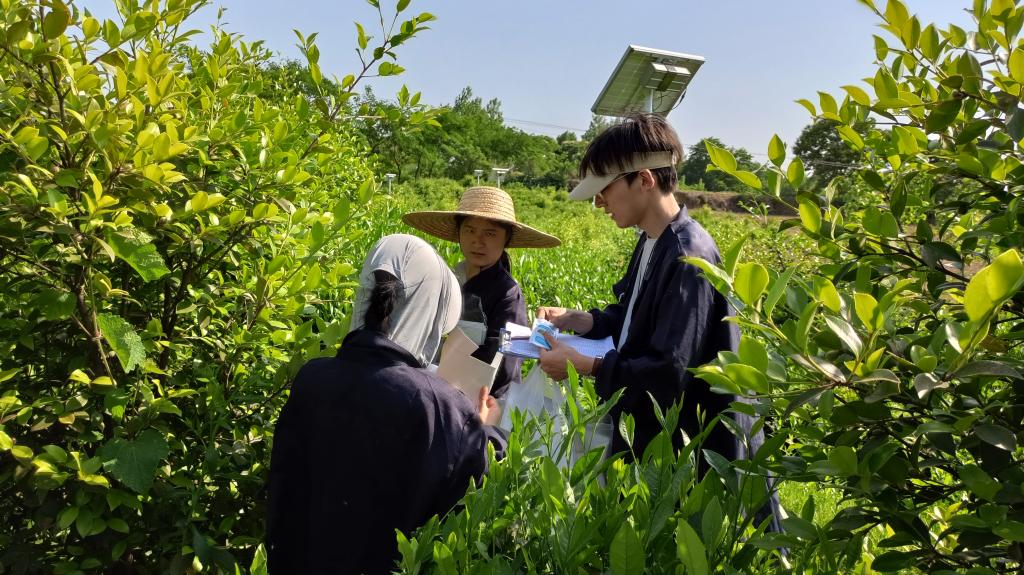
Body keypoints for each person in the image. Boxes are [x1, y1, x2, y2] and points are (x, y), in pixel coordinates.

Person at [266, 234, 507, 574]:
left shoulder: (312, 377)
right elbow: (476, 482)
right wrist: (483, 429)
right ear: (432, 312)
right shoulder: (440, 404)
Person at [536, 113, 743, 461]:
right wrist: (581, 320)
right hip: (655, 440)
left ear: (644, 179)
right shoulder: (652, 239)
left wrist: (586, 365)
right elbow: (636, 317)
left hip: (690, 456)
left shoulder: (687, 257)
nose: (599, 202)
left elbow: (667, 374)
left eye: (604, 189)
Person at [403, 186, 560, 398]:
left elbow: (506, 362)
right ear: (459, 233)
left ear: (506, 239)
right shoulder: (448, 279)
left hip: (483, 401)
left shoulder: (509, 294)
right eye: (469, 230)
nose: (478, 241)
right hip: (435, 390)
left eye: (490, 233)